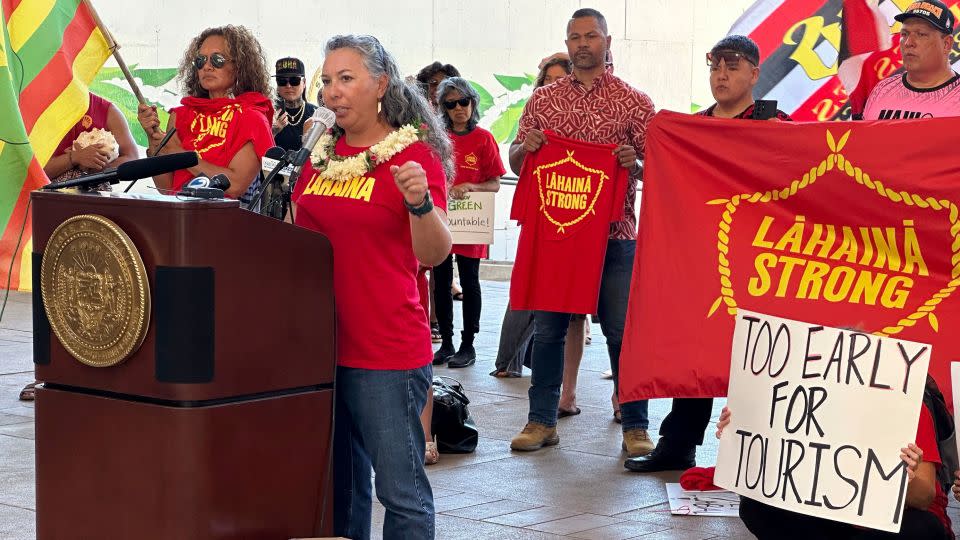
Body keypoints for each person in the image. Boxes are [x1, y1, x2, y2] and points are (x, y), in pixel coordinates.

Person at [292, 34, 453, 540]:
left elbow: (434, 254)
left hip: (384, 353)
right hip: (321, 350)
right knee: (341, 490)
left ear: (380, 84)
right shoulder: (319, 156)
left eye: (346, 79)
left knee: (400, 492)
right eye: (327, 81)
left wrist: (420, 204)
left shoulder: (411, 159)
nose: (332, 92)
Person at [626, 35, 791, 473]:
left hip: (760, 260)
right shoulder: (691, 130)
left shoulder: (778, 125)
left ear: (755, 73)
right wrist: (640, 166)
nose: (721, 74)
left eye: (732, 66)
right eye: (715, 65)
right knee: (696, 350)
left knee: (759, 355)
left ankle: (759, 455)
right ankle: (677, 444)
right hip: (706, 258)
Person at [507, 8, 656, 458]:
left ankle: (635, 425)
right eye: (575, 37)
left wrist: (636, 164)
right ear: (567, 43)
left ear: (608, 41)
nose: (583, 44)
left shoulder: (635, 102)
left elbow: (659, 169)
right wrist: (523, 150)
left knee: (620, 331)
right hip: (556, 233)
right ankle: (541, 421)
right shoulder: (543, 100)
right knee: (549, 330)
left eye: (592, 36)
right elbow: (516, 160)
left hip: (616, 234)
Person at [18, 93, 138, 402]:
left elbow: (133, 158)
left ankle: (96, 372)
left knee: (94, 296)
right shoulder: (40, 107)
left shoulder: (105, 109)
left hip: (97, 219)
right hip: (51, 215)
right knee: (51, 293)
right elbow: (30, 166)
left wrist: (100, 164)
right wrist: (73, 159)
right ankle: (46, 374)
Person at [717, 405, 952, 539]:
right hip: (835, 522)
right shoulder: (810, 405)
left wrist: (903, 482)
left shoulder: (909, 409)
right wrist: (736, 433)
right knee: (756, 505)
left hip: (892, 524)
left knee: (923, 529)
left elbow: (924, 498)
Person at [490, 55, 574, 381]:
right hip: (539, 213)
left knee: (560, 301)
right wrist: (526, 146)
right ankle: (506, 359)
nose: (553, 85)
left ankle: (544, 368)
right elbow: (513, 160)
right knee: (525, 290)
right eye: (547, 79)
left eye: (559, 79)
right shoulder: (535, 109)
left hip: (577, 218)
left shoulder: (587, 116)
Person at [136, 25, 274, 203]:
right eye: (201, 61)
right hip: (178, 217)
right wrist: (153, 140)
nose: (207, 66)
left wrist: (180, 155)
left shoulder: (252, 118)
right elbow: (167, 187)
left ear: (239, 66)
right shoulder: (181, 115)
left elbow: (235, 184)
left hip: (225, 220)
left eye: (217, 59)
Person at [431, 77, 503, 369]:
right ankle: (446, 342)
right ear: (443, 108)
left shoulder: (484, 139)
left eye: (463, 102)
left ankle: (468, 344)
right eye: (451, 104)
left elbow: (495, 183)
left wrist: (472, 187)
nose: (459, 108)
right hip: (442, 217)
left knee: (470, 281)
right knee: (441, 280)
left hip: (471, 220)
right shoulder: (437, 139)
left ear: (473, 103)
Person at [862, 0, 960, 120]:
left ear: (946, 44)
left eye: (921, 34)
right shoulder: (882, 90)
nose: (908, 43)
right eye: (904, 34)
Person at [272, 57, 317, 152]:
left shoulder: (316, 114)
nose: (288, 86)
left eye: (294, 80)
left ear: (304, 83)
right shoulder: (269, 113)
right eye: (282, 81)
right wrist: (272, 132)